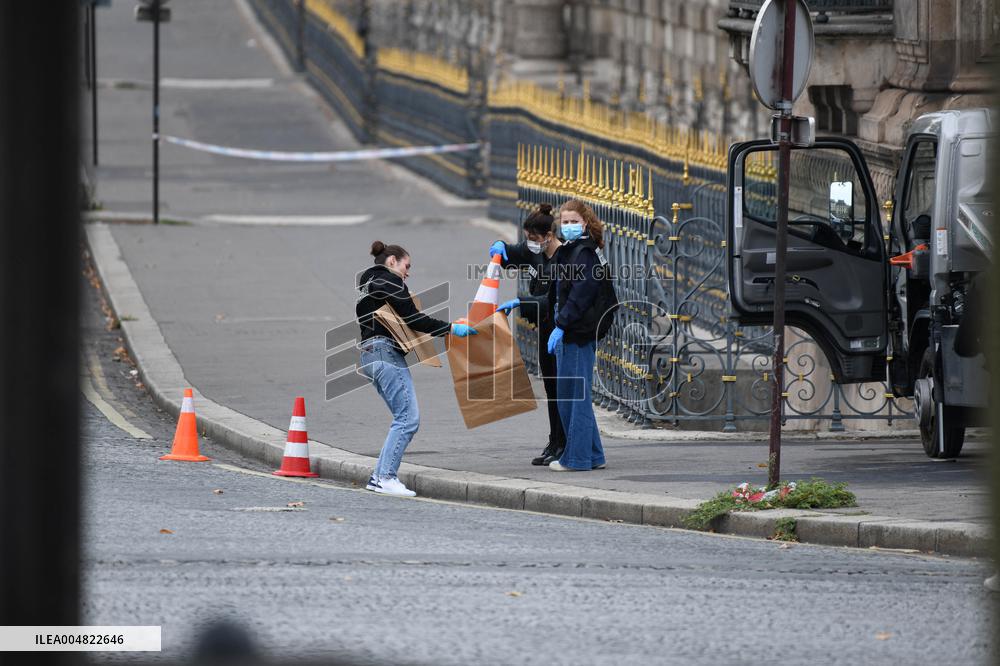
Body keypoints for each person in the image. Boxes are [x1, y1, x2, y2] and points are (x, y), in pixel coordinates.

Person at [356, 240, 477, 497]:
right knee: (407, 419)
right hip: (385, 352)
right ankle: (386, 477)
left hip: (370, 355)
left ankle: (378, 476)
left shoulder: (368, 285)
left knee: (401, 418)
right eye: (406, 265)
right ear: (392, 261)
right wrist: (452, 328)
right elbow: (413, 318)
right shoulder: (389, 281)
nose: (407, 272)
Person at [489, 203, 566, 465]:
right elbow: (512, 252)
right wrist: (499, 247)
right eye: (527, 238)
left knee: (561, 388)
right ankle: (554, 440)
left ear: (548, 236)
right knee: (550, 386)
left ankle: (564, 442)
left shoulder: (563, 258)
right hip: (545, 329)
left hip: (562, 328)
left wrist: (520, 303)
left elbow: (554, 300)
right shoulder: (535, 252)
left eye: (534, 238)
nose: (529, 243)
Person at [546, 199, 607, 472]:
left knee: (573, 396)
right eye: (565, 221)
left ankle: (578, 459)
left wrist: (561, 324)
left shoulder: (583, 253)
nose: (568, 226)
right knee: (573, 394)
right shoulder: (572, 250)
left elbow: (581, 295)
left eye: (573, 222)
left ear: (584, 223)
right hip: (572, 329)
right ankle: (593, 454)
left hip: (576, 332)